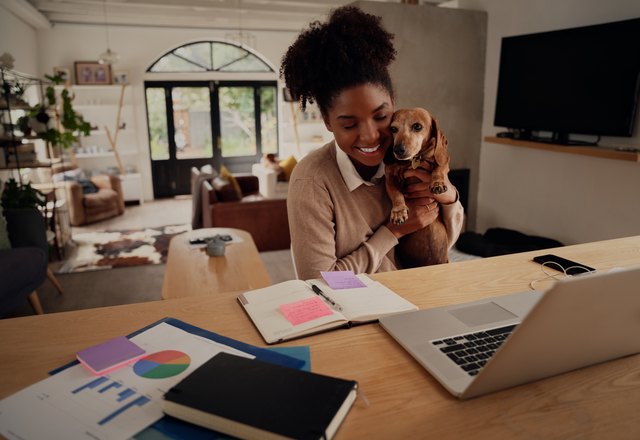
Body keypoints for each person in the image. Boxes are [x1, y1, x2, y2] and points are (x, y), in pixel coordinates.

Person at [281, 6, 464, 280]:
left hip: (428, 290)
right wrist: (394, 231)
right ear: (328, 123)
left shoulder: (407, 156)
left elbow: (444, 242)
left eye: (380, 116)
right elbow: (319, 283)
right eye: (349, 124)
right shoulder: (312, 181)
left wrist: (448, 195)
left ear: (394, 105)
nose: (370, 137)